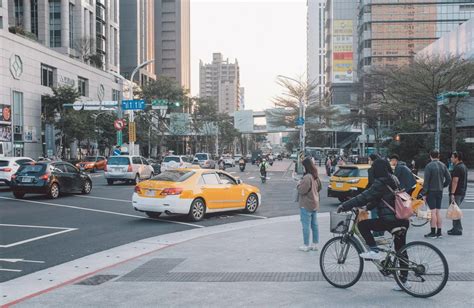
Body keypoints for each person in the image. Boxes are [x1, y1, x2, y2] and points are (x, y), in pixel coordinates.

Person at [337, 159, 409, 260]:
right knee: (400, 249)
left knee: (362, 225)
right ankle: (403, 274)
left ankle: (374, 251)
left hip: (391, 220)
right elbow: (380, 198)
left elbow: (364, 196)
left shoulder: (381, 182)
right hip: (402, 218)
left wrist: (344, 206)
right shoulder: (393, 178)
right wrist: (367, 207)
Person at [421, 150, 451, 239]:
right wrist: (443, 185)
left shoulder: (429, 166)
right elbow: (449, 178)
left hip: (431, 191)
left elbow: (426, 182)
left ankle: (433, 232)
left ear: (430, 156)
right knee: (438, 212)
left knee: (432, 212)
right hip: (439, 191)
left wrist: (424, 193)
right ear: (438, 156)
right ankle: (439, 232)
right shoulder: (443, 165)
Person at [296, 157, 321, 252]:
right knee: (314, 225)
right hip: (314, 202)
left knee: (306, 225)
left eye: (303, 166)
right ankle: (315, 244)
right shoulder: (315, 175)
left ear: (306, 166)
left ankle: (306, 245)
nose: (302, 168)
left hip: (306, 204)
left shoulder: (307, 177)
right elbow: (318, 188)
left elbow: (302, 190)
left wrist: (298, 184)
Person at [448, 151, 467, 236]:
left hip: (457, 193)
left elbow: (455, 181)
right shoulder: (463, 166)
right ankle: (455, 227)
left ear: (457, 158)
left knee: (455, 210)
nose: (451, 159)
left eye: (452, 157)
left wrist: (452, 193)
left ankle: (458, 229)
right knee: (454, 210)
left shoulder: (458, 168)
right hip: (461, 191)